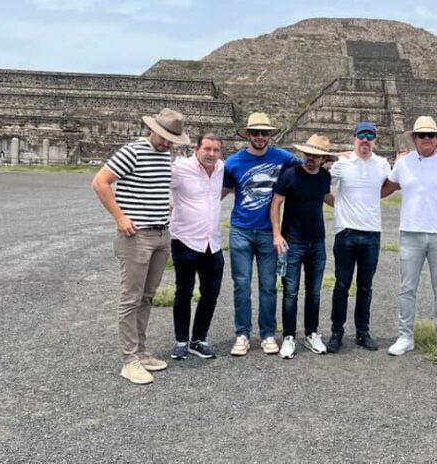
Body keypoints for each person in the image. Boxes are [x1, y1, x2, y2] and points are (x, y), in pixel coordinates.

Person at [91, 108, 190, 385]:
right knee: (130, 297)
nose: (168, 142)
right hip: (137, 236)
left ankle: (141, 351)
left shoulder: (164, 155)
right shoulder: (132, 151)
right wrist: (120, 217)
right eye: (165, 137)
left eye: (173, 139)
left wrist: (164, 203)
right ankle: (129, 359)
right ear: (153, 130)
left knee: (147, 296)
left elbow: (155, 185)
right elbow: (100, 182)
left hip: (161, 234)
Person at [383, 116, 437, 357]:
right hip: (411, 232)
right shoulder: (403, 164)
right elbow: (384, 188)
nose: (427, 139)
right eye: (422, 135)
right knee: (407, 288)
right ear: (414, 138)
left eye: (431, 135)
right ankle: (405, 335)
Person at [222, 113, 297, 357]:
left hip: (269, 232)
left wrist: (341, 157)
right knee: (241, 285)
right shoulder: (233, 162)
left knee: (268, 286)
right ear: (248, 135)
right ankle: (242, 334)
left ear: (269, 136)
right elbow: (217, 194)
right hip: (241, 230)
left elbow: (310, 163)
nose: (260, 137)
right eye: (256, 132)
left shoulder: (282, 157)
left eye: (264, 133)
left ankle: (267, 334)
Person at [327, 122, 391, 353]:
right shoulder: (341, 164)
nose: (365, 139)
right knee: (342, 285)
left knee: (366, 286)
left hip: (372, 232)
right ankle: (337, 332)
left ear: (375, 140)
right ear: (354, 138)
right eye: (361, 135)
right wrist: (339, 207)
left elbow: (391, 185)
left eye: (370, 136)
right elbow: (322, 185)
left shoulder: (383, 164)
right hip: (346, 232)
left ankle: (362, 332)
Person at [271, 134, 335, 359]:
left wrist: (357, 203)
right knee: (290, 292)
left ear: (324, 158)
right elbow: (276, 202)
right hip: (293, 242)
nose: (311, 159)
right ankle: (289, 336)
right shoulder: (290, 174)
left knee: (314, 292)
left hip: (317, 241)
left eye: (316, 156)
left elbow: (327, 198)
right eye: (309, 154)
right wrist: (277, 234)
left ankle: (312, 333)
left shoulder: (325, 177)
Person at [169, 133, 226, 361]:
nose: (212, 154)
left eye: (216, 150)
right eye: (207, 149)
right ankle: (181, 340)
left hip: (213, 242)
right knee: (183, 292)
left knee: (210, 293)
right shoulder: (180, 168)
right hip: (185, 240)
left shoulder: (221, 168)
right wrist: (169, 204)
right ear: (196, 148)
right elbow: (155, 182)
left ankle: (198, 339)